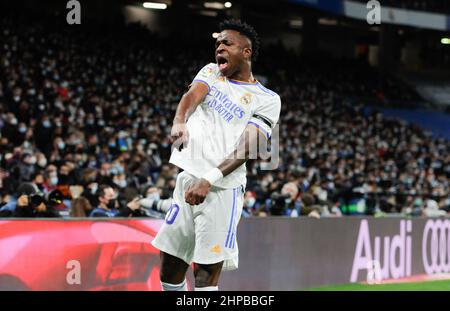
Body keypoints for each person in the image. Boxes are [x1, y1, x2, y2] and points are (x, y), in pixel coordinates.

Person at [151, 20, 281, 291]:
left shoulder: (267, 99)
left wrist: (209, 179)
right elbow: (192, 96)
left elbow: (249, 145)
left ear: (246, 52)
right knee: (170, 269)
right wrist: (179, 121)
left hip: (221, 189)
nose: (219, 47)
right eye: (217, 44)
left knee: (205, 274)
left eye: (227, 43)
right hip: (188, 180)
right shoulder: (211, 72)